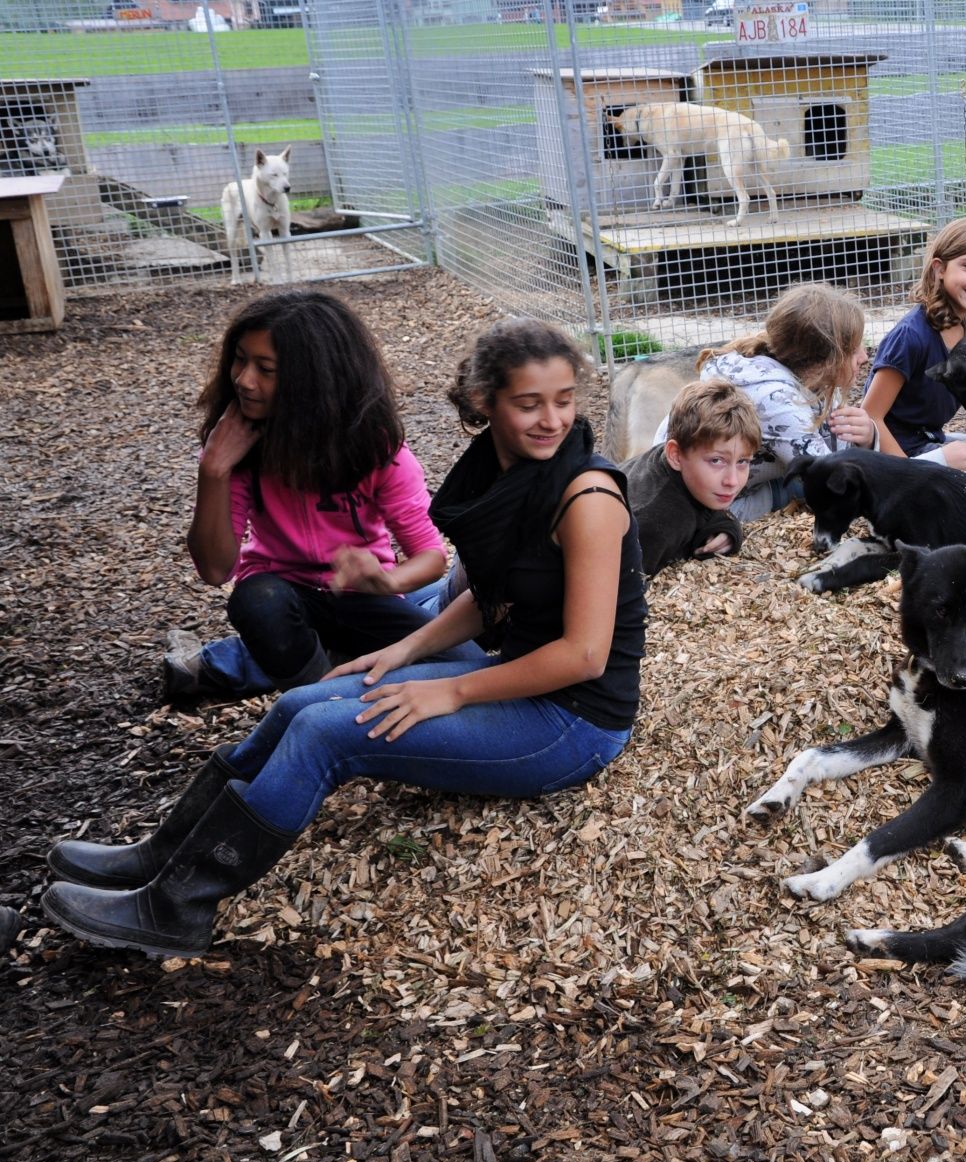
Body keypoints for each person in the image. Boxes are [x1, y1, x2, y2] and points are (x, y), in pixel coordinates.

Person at [44, 320, 647, 957]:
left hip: (572, 722)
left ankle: (178, 908)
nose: (552, 419)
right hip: (521, 683)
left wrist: (452, 692)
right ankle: (160, 859)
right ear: (483, 402)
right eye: (529, 403)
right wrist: (406, 650)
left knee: (326, 734)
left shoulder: (587, 497)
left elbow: (585, 654)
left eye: (564, 400)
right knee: (298, 703)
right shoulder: (509, 474)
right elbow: (498, 591)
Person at [164, 291, 457, 704]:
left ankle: (310, 662)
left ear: (314, 381)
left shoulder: (376, 449)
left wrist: (386, 580)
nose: (244, 380)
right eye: (240, 359)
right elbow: (215, 570)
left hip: (364, 602)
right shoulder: (238, 447)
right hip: (283, 600)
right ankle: (320, 705)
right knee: (260, 600)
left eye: (265, 368)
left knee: (465, 662)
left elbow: (430, 556)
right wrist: (213, 469)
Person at [651, 283, 876, 520]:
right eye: (852, 349)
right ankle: (771, 496)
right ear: (824, 360)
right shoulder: (777, 400)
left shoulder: (808, 377)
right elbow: (836, 484)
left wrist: (868, 436)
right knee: (797, 489)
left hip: (716, 480)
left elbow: (837, 454)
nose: (864, 356)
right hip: (687, 499)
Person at [860, 215, 966, 471]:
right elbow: (870, 416)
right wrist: (911, 474)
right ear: (939, 269)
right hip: (897, 457)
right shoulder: (911, 337)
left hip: (931, 440)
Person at [626, 379, 758, 574]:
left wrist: (729, 529)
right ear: (675, 455)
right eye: (716, 461)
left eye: (742, 462)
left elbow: (706, 512)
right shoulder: (656, 524)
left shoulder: (684, 475)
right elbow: (622, 589)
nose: (732, 481)